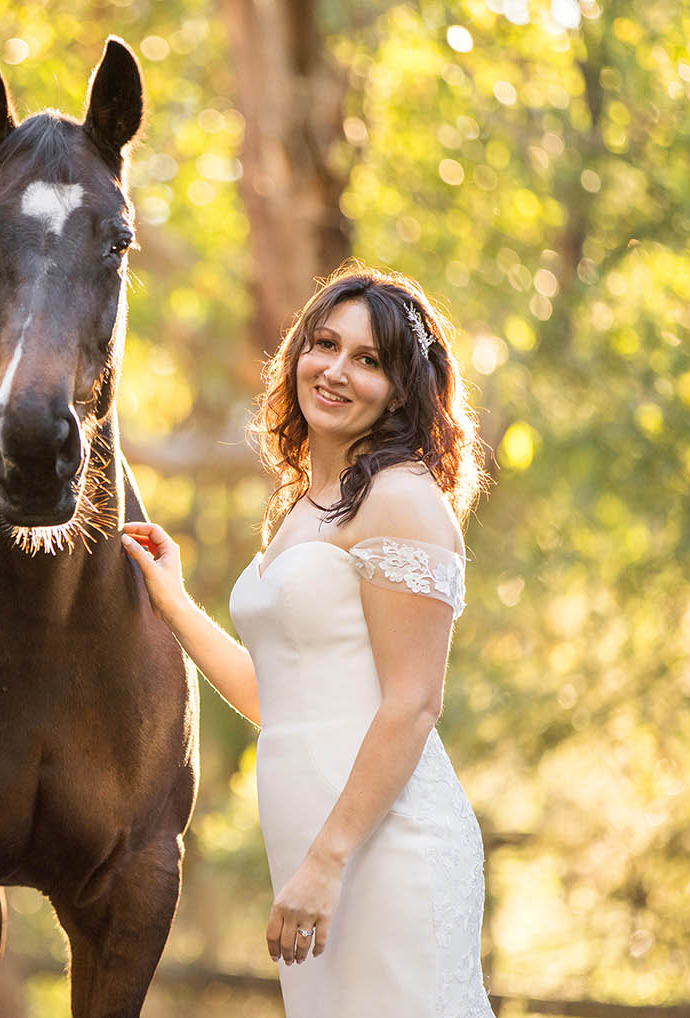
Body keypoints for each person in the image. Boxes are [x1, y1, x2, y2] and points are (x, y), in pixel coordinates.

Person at [121, 261, 495, 1016]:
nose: (335, 370)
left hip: (383, 852)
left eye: (368, 360)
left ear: (403, 390)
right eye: (324, 344)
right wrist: (176, 603)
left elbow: (414, 704)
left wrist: (327, 862)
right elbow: (277, 695)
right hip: (315, 849)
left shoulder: (402, 500)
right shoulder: (306, 506)